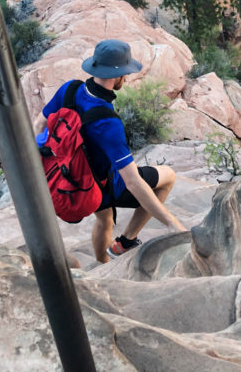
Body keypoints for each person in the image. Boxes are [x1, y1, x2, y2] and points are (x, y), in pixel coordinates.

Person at [34, 39, 187, 262]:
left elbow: (40, 124)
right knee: (168, 177)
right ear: (119, 76)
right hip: (103, 182)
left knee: (105, 219)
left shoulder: (70, 89)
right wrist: (172, 224)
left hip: (72, 173)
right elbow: (133, 182)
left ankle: (103, 265)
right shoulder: (108, 123)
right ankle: (125, 242)